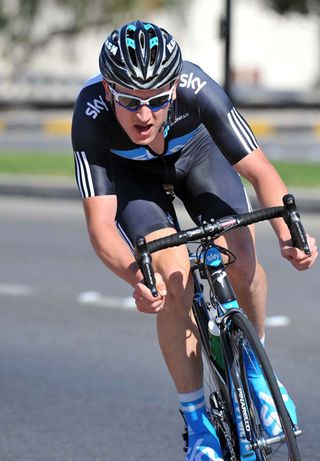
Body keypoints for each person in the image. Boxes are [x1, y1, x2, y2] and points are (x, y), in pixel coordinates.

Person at [72, 20, 318, 460]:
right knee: (173, 279)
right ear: (109, 91)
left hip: (199, 155)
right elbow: (101, 225)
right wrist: (138, 278)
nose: (143, 115)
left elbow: (259, 171)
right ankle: (198, 423)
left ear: (173, 89)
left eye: (156, 101)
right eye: (129, 100)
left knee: (241, 260)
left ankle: (256, 370)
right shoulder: (90, 114)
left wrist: (288, 235)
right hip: (133, 178)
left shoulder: (198, 87)